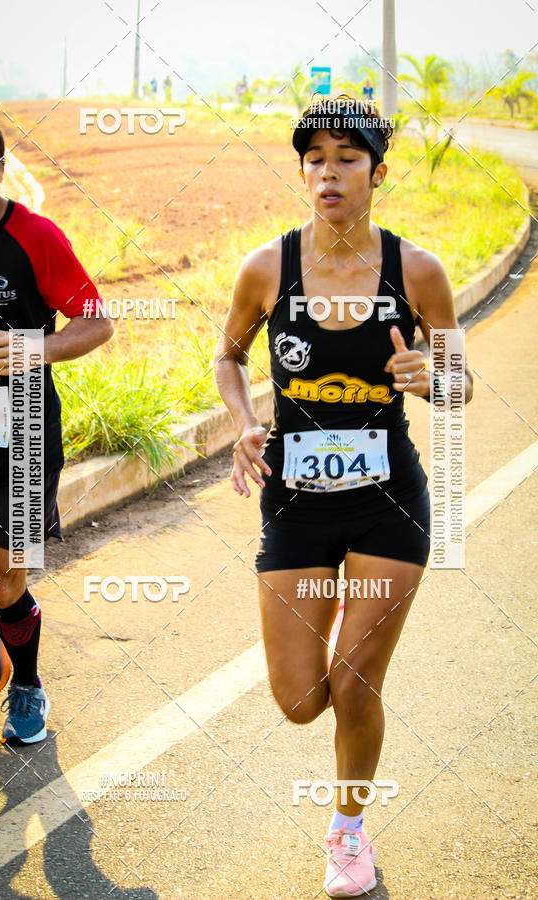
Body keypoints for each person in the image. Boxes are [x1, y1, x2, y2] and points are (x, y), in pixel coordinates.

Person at [214, 95, 473, 896]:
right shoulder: (266, 267)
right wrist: (245, 419)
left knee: (356, 680)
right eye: (315, 158)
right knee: (300, 700)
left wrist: (435, 379)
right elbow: (228, 356)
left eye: (347, 158)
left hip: (388, 503)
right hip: (293, 505)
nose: (329, 172)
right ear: (301, 170)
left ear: (377, 172)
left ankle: (348, 829)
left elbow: (460, 383)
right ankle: (344, 760)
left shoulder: (418, 271)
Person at [0, 112, 113, 744]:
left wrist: (35, 347)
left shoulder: (36, 238)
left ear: (2, 168)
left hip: (24, 439)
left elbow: (97, 321)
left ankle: (28, 688)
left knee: (7, 577)